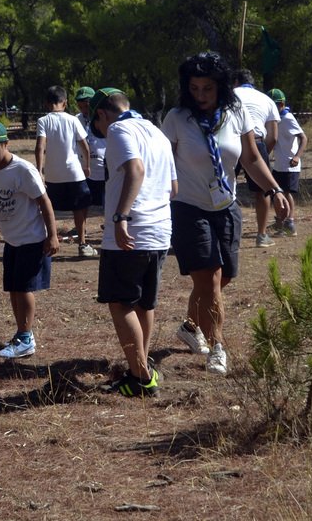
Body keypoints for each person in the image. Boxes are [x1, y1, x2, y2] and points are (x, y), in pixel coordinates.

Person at [161, 52, 287, 375]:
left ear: (220, 88)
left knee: (221, 278)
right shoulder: (176, 119)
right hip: (188, 209)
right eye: (194, 89)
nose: (200, 96)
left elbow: (252, 159)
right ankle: (217, 346)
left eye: (208, 89)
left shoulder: (236, 112)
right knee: (211, 278)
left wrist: (274, 190)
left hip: (226, 207)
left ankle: (190, 326)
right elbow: (161, 165)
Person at [93, 90, 176, 397]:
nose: (101, 134)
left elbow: (136, 170)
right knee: (144, 302)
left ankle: (142, 376)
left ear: (102, 114)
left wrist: (121, 216)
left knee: (120, 302)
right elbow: (173, 188)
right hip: (160, 231)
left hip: (131, 232)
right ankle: (139, 369)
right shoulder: (158, 132)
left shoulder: (118, 129)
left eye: (98, 126)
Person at [0, 119, 59, 359]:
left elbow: (45, 202)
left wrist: (52, 235)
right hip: (12, 240)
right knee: (13, 287)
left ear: (6, 143)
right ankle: (21, 332)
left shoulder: (23, 170)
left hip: (31, 239)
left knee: (24, 288)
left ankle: (26, 337)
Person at [35, 85, 96, 257]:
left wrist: (40, 170)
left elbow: (40, 146)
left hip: (53, 175)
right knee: (80, 208)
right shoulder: (73, 120)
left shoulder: (43, 121)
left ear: (47, 104)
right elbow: (84, 145)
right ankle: (82, 244)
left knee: (49, 208)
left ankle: (49, 239)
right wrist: (87, 165)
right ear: (66, 102)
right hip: (74, 172)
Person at [233, 69, 281, 248]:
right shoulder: (267, 100)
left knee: (225, 186)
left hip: (232, 140)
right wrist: (259, 159)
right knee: (262, 190)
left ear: (235, 81)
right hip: (258, 141)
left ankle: (226, 233)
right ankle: (261, 235)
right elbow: (273, 137)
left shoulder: (230, 95)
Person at [269, 88, 308, 237]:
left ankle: (289, 223)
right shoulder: (274, 120)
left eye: (275, 105)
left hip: (290, 165)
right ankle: (281, 220)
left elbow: (304, 138)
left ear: (282, 104)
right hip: (279, 165)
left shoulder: (288, 118)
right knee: (277, 194)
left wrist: (297, 156)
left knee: (286, 193)